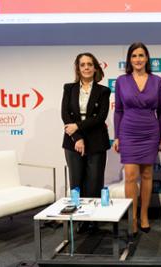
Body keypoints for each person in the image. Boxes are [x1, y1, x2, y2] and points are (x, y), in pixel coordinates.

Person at [114, 42, 161, 236]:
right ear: (129, 59)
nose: (138, 59)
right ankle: (132, 217)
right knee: (131, 176)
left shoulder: (157, 81)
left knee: (147, 175)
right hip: (128, 131)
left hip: (150, 131)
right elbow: (118, 110)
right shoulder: (121, 80)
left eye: (141, 55)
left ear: (147, 58)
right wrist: (117, 136)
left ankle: (144, 216)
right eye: (134, 56)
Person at [61, 52, 111, 232]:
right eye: (83, 65)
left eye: (90, 64)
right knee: (76, 181)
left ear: (96, 68)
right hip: (73, 141)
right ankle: (79, 219)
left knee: (94, 182)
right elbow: (65, 115)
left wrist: (77, 126)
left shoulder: (103, 91)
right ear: (78, 68)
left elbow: (100, 117)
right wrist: (77, 137)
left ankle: (92, 220)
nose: (87, 68)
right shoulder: (69, 88)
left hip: (96, 140)